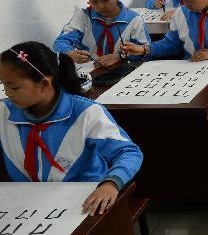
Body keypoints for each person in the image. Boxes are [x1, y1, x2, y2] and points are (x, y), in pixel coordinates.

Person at [0, 41, 144, 216]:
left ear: (45, 84)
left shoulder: (85, 113)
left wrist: (111, 183)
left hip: (84, 201)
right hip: (25, 205)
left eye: (14, 87)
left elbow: (128, 152)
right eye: (3, 84)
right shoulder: (4, 112)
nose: (7, 93)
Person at [53, 0, 149, 69]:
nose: (101, 7)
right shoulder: (83, 16)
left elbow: (146, 52)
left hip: (124, 72)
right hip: (91, 73)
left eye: (106, 0)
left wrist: (121, 57)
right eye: (94, 2)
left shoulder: (134, 20)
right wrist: (71, 54)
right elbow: (60, 42)